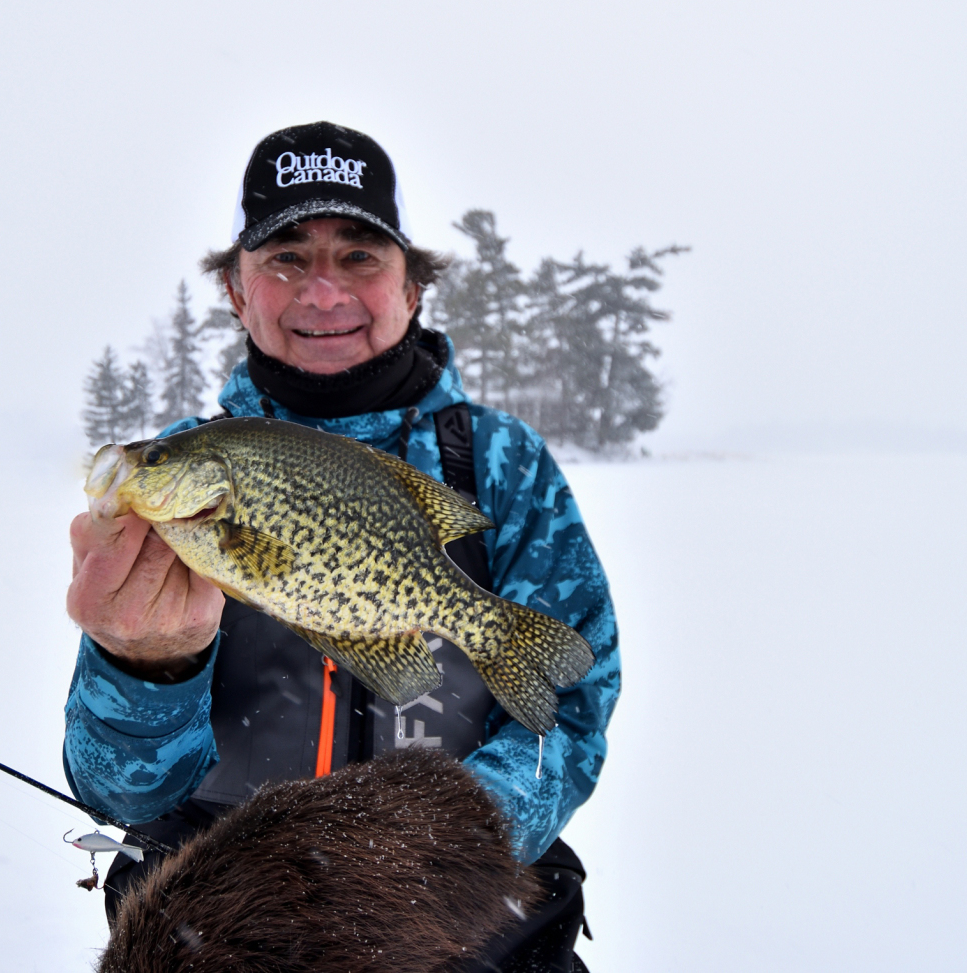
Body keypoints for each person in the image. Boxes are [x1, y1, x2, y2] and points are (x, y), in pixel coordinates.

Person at [63, 121, 620, 972]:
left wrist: (423, 856)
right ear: (236, 290)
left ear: (414, 286)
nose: (323, 293)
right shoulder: (182, 471)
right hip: (226, 934)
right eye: (286, 256)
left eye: (360, 255)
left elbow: (568, 711)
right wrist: (147, 666)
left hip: (464, 927)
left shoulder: (499, 464)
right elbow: (119, 789)